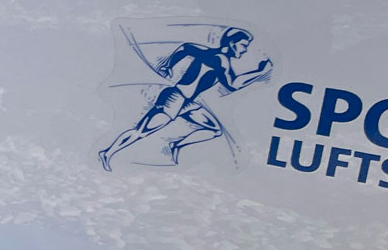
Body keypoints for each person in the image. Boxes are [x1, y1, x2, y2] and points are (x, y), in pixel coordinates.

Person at [100, 28, 271, 170]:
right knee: (140, 132)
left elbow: (186, 48)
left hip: (187, 103)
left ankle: (176, 145)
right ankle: (107, 153)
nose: (245, 50)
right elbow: (233, 84)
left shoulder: (206, 51)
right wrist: (260, 72)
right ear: (232, 43)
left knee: (214, 129)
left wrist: (169, 65)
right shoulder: (222, 61)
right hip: (175, 100)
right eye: (243, 45)